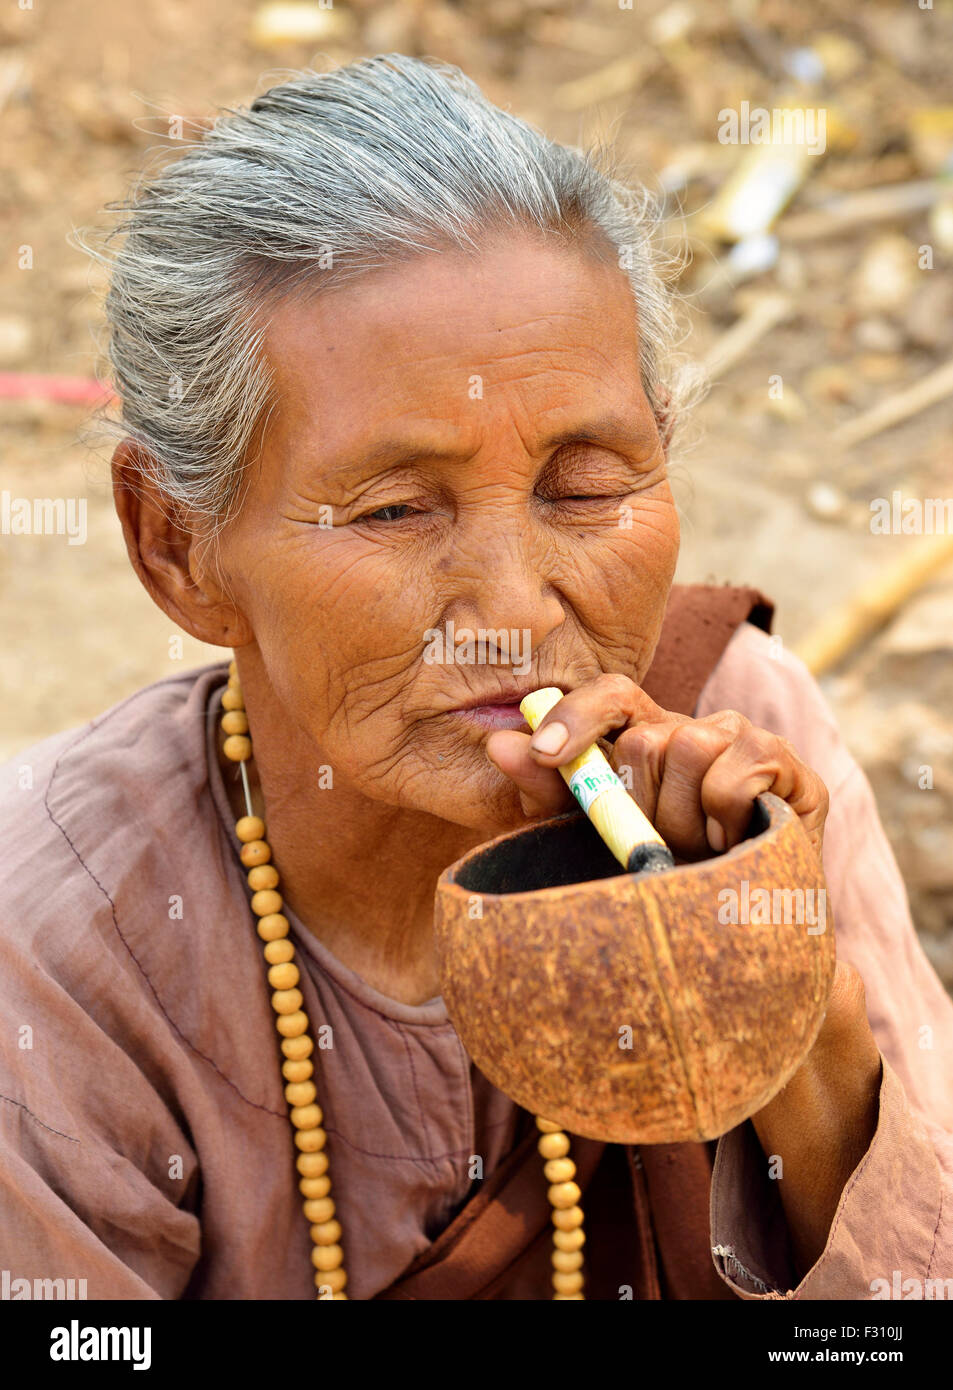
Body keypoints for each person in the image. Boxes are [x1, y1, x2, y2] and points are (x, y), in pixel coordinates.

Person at [1, 54, 950, 1301]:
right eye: (394, 510)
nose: (512, 610)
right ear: (178, 546)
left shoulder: (737, 753)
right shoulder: (61, 957)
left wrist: (789, 1014)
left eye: (586, 487)